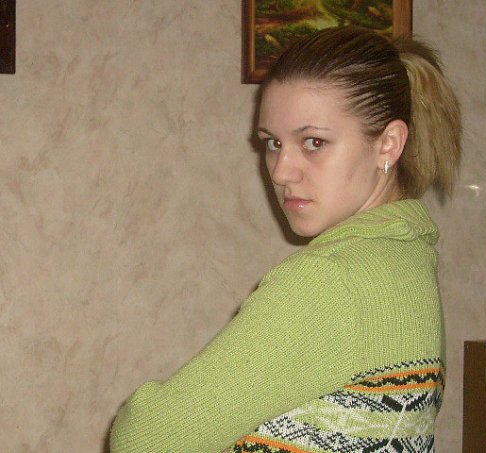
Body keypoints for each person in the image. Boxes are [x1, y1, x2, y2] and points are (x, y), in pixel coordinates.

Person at [110, 25, 461, 453]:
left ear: (388, 144)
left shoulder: (332, 280)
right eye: (273, 143)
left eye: (314, 142)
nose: (280, 171)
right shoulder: (407, 262)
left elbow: (143, 439)